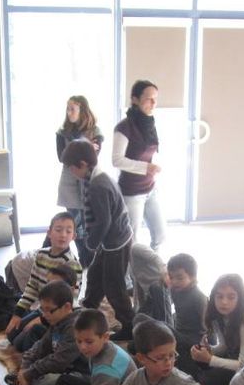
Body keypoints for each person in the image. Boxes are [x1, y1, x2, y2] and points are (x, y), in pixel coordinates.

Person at [61, 140, 137, 341]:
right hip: (111, 239)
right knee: (95, 274)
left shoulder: (98, 185)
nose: (71, 172)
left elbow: (104, 221)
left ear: (84, 164)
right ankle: (88, 309)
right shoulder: (95, 177)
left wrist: (92, 244)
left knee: (114, 285)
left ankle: (129, 324)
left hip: (116, 241)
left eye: (72, 168)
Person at [5, 211, 82, 340]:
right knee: (12, 335)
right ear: (49, 232)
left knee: (24, 341)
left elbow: (70, 301)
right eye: (58, 230)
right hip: (43, 310)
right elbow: (32, 286)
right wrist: (17, 314)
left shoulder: (72, 263)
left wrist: (41, 320)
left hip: (58, 315)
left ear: (74, 236)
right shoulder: (41, 255)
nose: (63, 235)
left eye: (68, 231)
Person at [13, 280, 87, 385]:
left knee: (48, 381)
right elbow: (39, 347)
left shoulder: (75, 326)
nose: (45, 315)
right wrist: (25, 368)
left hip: (79, 373)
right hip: (61, 371)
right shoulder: (56, 322)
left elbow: (59, 361)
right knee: (22, 373)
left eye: (49, 310)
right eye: (42, 310)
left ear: (67, 307)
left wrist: (29, 374)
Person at [114, 79, 166, 250]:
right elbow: (117, 160)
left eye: (155, 99)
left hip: (150, 188)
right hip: (131, 192)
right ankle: (132, 275)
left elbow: (150, 151)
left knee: (160, 235)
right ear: (135, 99)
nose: (153, 103)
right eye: (148, 98)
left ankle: (152, 269)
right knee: (132, 240)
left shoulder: (150, 122)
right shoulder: (124, 127)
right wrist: (145, 168)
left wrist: (152, 167)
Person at [190, 274, 244, 385]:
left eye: (231, 297)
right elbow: (224, 348)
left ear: (240, 298)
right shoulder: (218, 316)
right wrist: (209, 350)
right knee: (197, 368)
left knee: (205, 379)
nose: (224, 302)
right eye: (219, 296)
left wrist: (210, 359)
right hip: (235, 362)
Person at [56, 95, 104, 266]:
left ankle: (87, 258)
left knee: (88, 221)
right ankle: (56, 252)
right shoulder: (62, 132)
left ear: (82, 111)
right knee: (72, 220)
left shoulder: (96, 132)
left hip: (88, 180)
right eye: (67, 109)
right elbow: (62, 157)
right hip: (69, 179)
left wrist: (80, 149)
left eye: (72, 109)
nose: (69, 113)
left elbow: (93, 158)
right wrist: (84, 145)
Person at [7, 263, 79, 352]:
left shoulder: (71, 309)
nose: (50, 288)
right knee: (12, 334)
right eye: (48, 283)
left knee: (22, 340)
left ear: (71, 290)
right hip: (42, 313)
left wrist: (40, 320)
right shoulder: (46, 302)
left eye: (56, 285)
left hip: (48, 321)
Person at [167, 253, 208, 376]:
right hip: (179, 332)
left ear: (193, 277)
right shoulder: (175, 290)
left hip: (193, 339)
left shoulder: (199, 297)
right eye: (171, 277)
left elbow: (209, 329)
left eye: (179, 278)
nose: (174, 281)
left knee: (162, 326)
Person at [131, 243, 173, 325]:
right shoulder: (129, 261)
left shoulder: (136, 248)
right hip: (150, 295)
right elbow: (138, 285)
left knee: (163, 321)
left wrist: (165, 275)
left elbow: (156, 258)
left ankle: (168, 333)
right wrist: (137, 307)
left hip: (161, 287)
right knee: (138, 318)